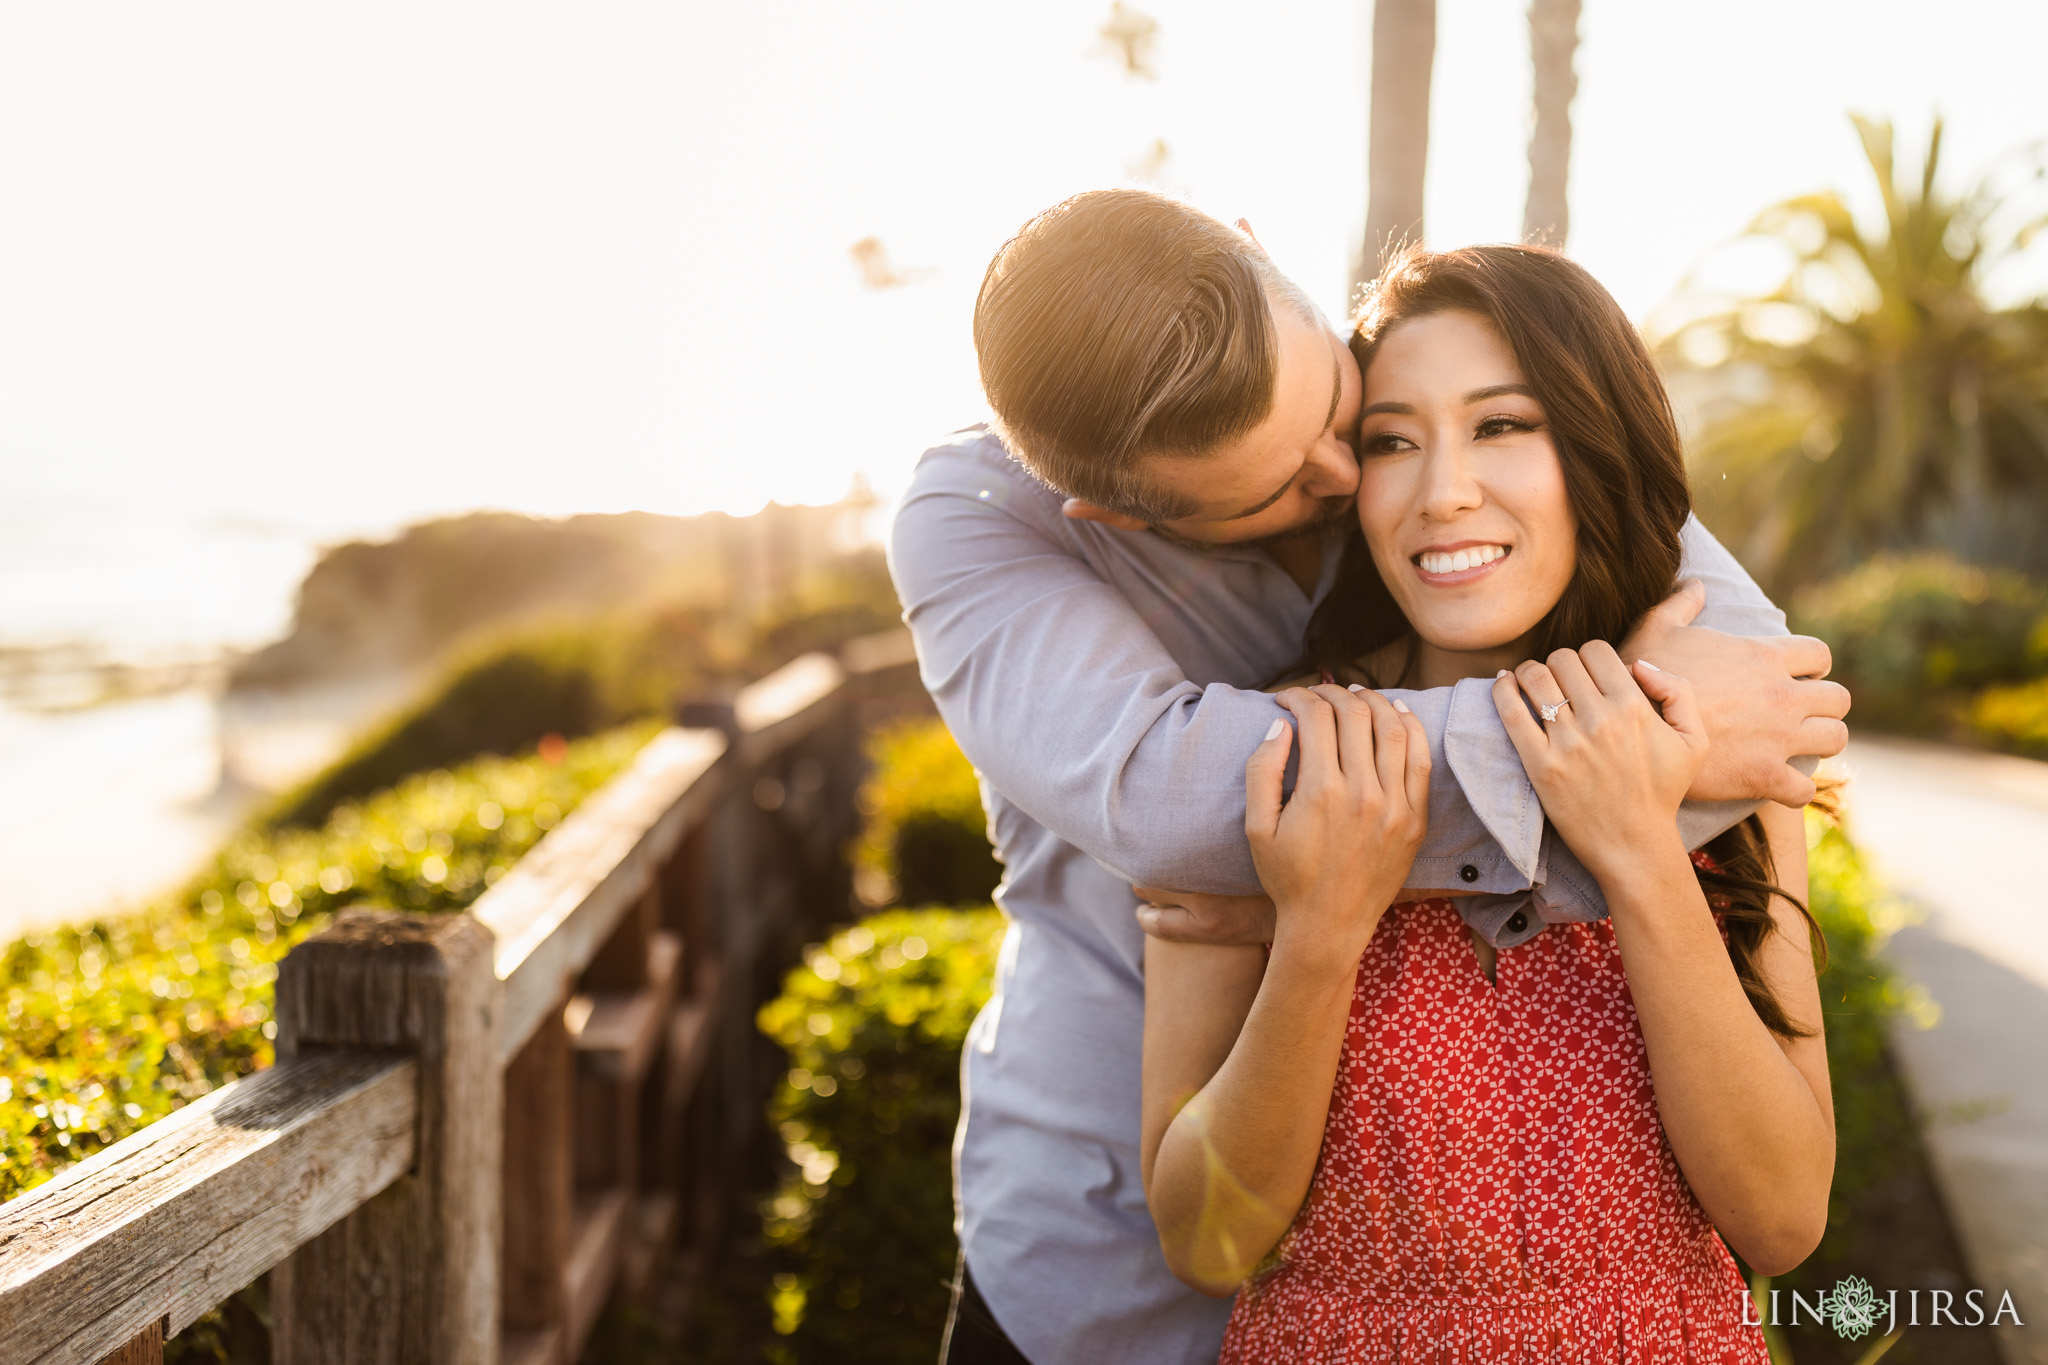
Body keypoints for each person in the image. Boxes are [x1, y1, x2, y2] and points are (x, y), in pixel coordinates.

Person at [888, 188, 1849, 1364]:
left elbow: (1756, 683)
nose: (1359, 480)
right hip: (1100, 1267)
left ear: (1258, 248)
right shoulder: (986, 520)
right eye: (1285, 486)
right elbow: (1163, 798)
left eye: (1353, 418)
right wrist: (1593, 748)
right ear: (1119, 515)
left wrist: (1636, 809)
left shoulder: (1416, 378)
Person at [1140, 244, 1830, 1362]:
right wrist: (1319, 930)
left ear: (1598, 449)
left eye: (1502, 425)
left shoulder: (1717, 753)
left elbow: (1782, 1222)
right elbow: (1204, 1240)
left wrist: (1638, 848)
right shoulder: (1274, 751)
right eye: (1390, 441)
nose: (1441, 490)